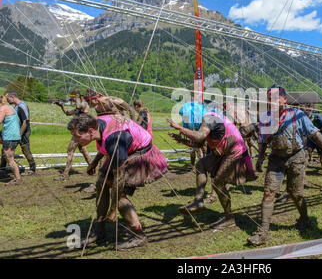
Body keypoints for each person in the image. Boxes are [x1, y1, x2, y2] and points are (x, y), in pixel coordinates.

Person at [247, 85, 322, 246]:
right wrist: (260, 159)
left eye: (275, 98)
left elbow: (315, 134)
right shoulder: (266, 117)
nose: (271, 101)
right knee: (268, 193)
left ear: (284, 99)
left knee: (296, 194)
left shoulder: (297, 115)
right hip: (276, 160)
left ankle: (305, 218)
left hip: (296, 158)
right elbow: (263, 141)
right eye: (269, 98)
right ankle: (263, 232)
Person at [69, 113, 168, 249]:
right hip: (122, 149)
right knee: (101, 184)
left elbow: (119, 178)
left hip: (140, 154)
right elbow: (105, 143)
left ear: (91, 131)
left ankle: (139, 235)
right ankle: (99, 231)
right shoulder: (96, 124)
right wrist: (94, 162)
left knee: (119, 195)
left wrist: (113, 210)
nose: (74, 140)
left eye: (77, 136)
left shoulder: (115, 139)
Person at [168, 101, 257, 230]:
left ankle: (229, 218)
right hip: (223, 152)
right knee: (201, 165)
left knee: (218, 183)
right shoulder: (211, 119)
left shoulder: (210, 118)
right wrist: (182, 140)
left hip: (234, 152)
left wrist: (179, 128)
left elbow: (199, 137)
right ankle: (198, 201)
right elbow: (199, 144)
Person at [53, 90, 93, 183]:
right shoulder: (78, 107)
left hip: (79, 132)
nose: (72, 99)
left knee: (70, 151)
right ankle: (92, 168)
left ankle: (65, 174)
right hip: (79, 131)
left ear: (77, 97)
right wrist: (61, 106)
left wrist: (78, 97)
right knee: (83, 149)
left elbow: (80, 106)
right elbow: (68, 113)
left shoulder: (83, 104)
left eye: (73, 97)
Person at [3, 91, 36, 176]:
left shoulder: (22, 106)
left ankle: (32, 169)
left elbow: (25, 122)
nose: (7, 100)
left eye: (8, 99)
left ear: (13, 97)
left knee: (25, 149)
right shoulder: (16, 106)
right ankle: (3, 168)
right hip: (16, 132)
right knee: (6, 150)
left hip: (24, 132)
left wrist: (20, 135)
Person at [304, 104, 322, 192]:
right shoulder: (304, 119)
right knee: (305, 154)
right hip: (312, 138)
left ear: (311, 118)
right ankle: (303, 178)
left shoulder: (320, 118)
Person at [0, 95, 22, 186]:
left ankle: (17, 179)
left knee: (9, 158)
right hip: (15, 136)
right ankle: (17, 178)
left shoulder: (3, 108)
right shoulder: (10, 108)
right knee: (10, 157)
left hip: (9, 136)